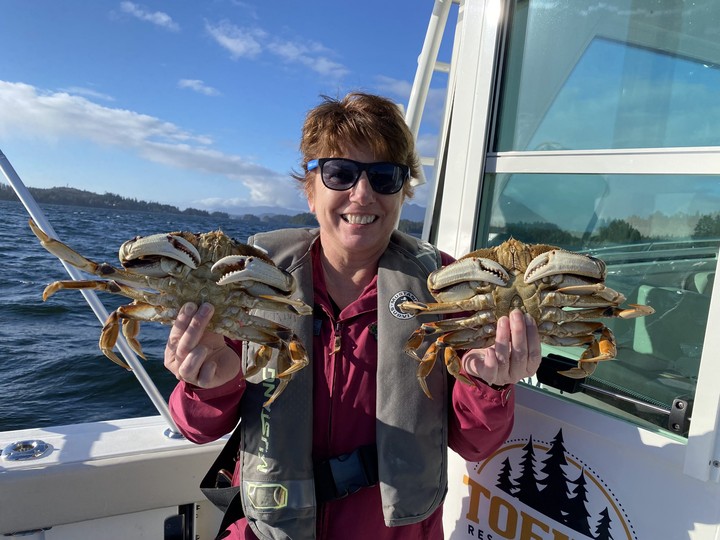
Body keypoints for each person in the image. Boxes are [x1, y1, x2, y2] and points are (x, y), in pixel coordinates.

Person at [164, 92, 542, 540]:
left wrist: (489, 384)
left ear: (404, 192)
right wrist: (208, 385)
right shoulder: (248, 281)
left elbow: (476, 442)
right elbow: (196, 427)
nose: (361, 194)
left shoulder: (451, 289)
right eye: (340, 172)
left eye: (384, 177)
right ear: (310, 189)